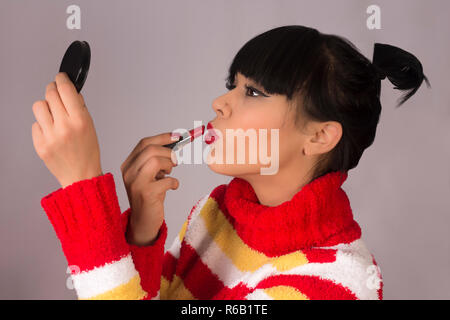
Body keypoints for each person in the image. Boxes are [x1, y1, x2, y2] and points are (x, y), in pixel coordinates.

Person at [32, 25, 429, 300]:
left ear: (319, 136)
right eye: (232, 86)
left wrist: (83, 191)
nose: (219, 104)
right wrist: (140, 231)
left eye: (253, 93)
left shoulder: (336, 284)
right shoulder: (219, 212)